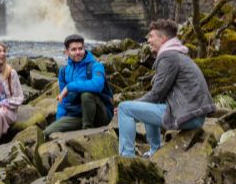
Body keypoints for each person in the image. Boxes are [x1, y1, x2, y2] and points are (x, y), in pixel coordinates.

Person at [117, 19, 215, 157]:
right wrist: (139, 104)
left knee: (124, 108)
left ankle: (126, 157)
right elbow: (157, 97)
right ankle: (155, 151)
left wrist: (134, 104)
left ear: (163, 39)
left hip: (187, 115)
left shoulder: (168, 56)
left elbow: (156, 94)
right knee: (145, 105)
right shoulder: (177, 54)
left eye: (151, 36)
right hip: (195, 114)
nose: (148, 40)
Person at [43, 34, 113, 139]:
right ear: (67, 52)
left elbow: (97, 85)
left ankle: (87, 133)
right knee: (49, 132)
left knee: (87, 94)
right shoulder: (63, 71)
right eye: (74, 49)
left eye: (80, 48)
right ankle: (81, 126)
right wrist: (60, 120)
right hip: (78, 115)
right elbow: (64, 101)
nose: (78, 52)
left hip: (100, 115)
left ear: (84, 48)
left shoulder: (96, 66)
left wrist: (70, 87)